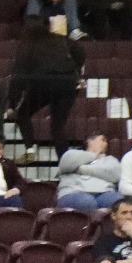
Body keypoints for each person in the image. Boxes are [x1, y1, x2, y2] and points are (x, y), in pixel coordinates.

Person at [9, 15, 83, 157]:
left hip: (43, 83)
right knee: (57, 127)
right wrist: (76, 71)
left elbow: (18, 74)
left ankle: (30, 149)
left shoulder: (27, 44)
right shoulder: (59, 39)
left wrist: (12, 102)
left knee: (23, 113)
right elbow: (80, 52)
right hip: (67, 83)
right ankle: (64, 164)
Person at [56, 133, 125, 212]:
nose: (106, 143)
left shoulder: (110, 159)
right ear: (90, 141)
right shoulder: (72, 153)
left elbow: (116, 175)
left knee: (117, 201)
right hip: (73, 192)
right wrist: (94, 154)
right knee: (86, 202)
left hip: (105, 192)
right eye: (102, 140)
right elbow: (66, 165)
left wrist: (80, 169)